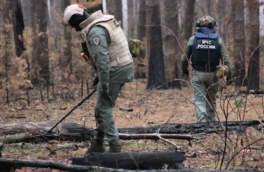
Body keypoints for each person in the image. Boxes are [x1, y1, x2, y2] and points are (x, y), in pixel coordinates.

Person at [63, 4, 134, 154]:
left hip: (114, 69)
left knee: (103, 110)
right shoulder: (104, 21)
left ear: (76, 21)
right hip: (120, 67)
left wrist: (104, 84)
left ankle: (114, 148)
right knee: (100, 109)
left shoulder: (95, 31)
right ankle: (97, 144)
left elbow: (103, 61)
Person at [181, 16, 232, 123]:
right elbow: (226, 60)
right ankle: (211, 123)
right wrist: (229, 76)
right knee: (211, 100)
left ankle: (202, 122)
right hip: (213, 75)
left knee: (199, 100)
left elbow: (184, 58)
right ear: (213, 26)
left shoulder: (192, 39)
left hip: (198, 74)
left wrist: (184, 70)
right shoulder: (218, 40)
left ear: (199, 26)